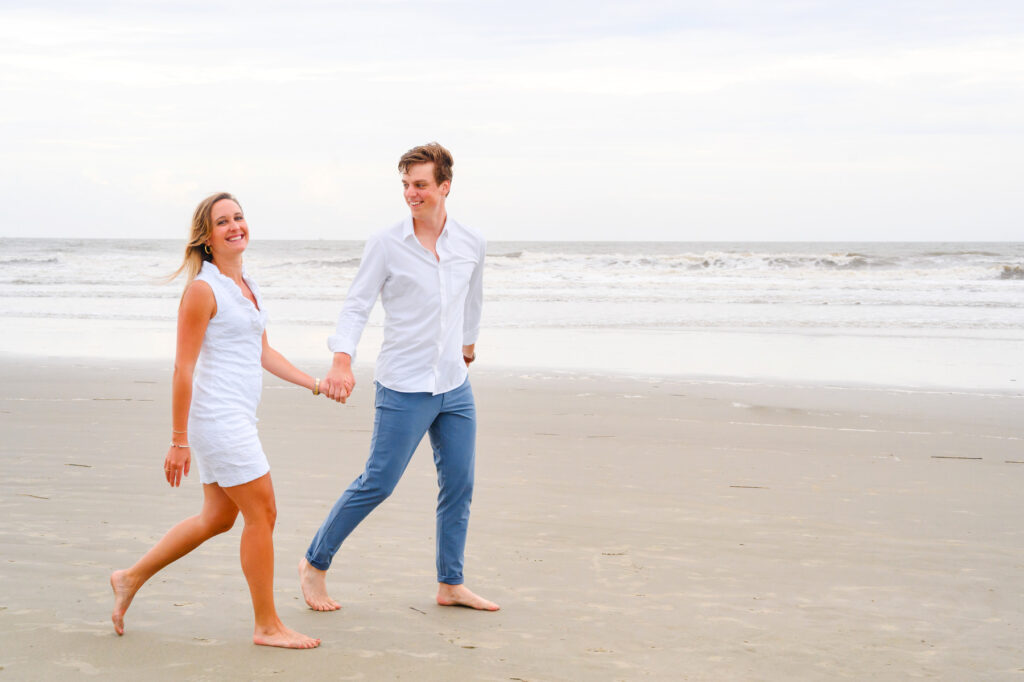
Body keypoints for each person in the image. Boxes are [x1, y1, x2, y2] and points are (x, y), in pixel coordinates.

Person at [109, 192, 322, 649]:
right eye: (222, 222)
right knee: (263, 512)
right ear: (206, 238)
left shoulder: (247, 287)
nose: (234, 226)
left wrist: (315, 384)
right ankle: (266, 625)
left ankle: (129, 578)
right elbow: (183, 368)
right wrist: (178, 439)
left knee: (218, 517)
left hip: (240, 415)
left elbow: (263, 352)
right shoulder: (202, 291)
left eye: (239, 217)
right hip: (217, 419)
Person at [299, 142, 499, 612]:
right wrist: (342, 359)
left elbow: (474, 298)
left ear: (444, 187)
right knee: (378, 483)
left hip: (453, 386)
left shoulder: (472, 242)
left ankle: (450, 584)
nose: (412, 193)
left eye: (421, 185)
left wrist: (468, 345)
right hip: (403, 386)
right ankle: (314, 563)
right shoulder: (386, 243)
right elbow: (357, 304)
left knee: (460, 484)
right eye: (406, 185)